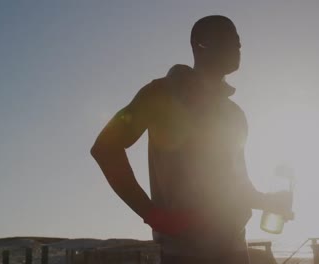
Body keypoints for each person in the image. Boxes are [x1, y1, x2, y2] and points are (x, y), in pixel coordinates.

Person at [91, 15, 293, 264]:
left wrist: (267, 202)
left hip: (235, 248)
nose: (238, 44)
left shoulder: (234, 114)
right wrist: (153, 214)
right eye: (227, 37)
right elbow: (105, 148)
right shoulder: (160, 93)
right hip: (185, 252)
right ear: (200, 44)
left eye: (238, 39)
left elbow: (238, 187)